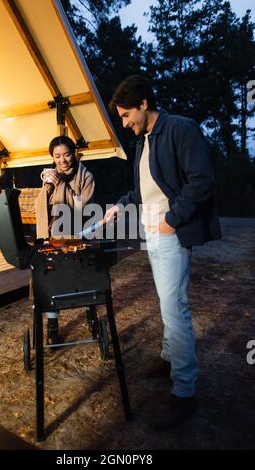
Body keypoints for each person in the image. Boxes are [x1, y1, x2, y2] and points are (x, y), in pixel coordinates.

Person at [105, 75, 221, 430]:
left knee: (175, 307)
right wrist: (121, 205)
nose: (125, 124)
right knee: (166, 302)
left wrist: (172, 219)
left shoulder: (180, 129)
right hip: (151, 235)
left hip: (172, 233)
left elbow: (202, 180)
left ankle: (185, 393)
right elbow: (144, 189)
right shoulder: (143, 141)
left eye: (126, 115)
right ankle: (170, 359)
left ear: (143, 103)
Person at [35, 135, 95, 344]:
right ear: (53, 157)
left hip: (80, 235)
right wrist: (47, 186)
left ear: (74, 153)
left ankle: (92, 318)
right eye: (57, 156)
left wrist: (63, 186)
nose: (63, 160)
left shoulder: (85, 176)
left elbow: (83, 208)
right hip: (56, 237)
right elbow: (43, 206)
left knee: (84, 277)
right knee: (54, 279)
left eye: (67, 154)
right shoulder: (51, 177)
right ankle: (53, 326)